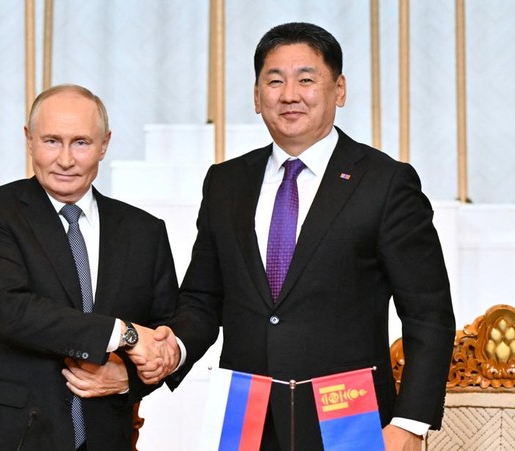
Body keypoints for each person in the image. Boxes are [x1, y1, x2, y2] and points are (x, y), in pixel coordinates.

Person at [140, 22, 456, 451]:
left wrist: (410, 423)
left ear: (339, 89)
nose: (290, 94)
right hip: (246, 418)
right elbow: (202, 298)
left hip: (348, 418)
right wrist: (172, 347)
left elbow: (428, 316)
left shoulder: (385, 183)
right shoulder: (225, 183)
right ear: (256, 96)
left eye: (306, 79)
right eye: (274, 81)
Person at [0, 84, 179, 451]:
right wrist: (123, 333)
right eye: (52, 141)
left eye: (82, 143)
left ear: (104, 144)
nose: (66, 160)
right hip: (11, 437)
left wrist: (127, 381)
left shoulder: (144, 231)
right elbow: (13, 312)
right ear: (29, 140)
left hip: (106, 438)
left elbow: (166, 331)